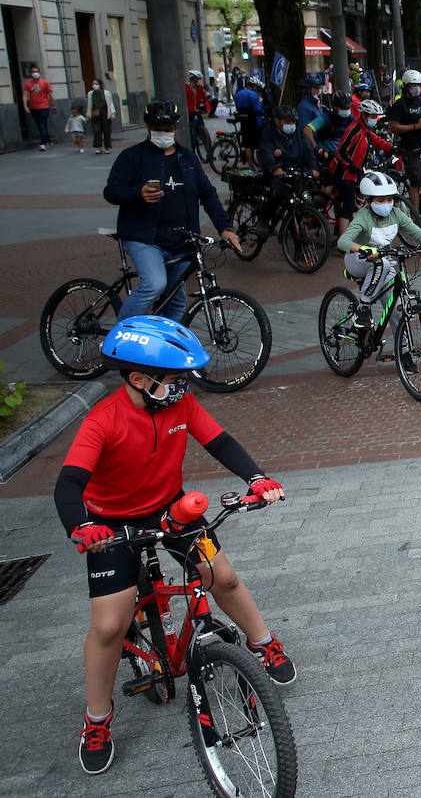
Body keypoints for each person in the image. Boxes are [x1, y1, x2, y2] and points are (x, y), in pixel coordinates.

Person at [57, 315, 294, 775]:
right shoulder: (102, 419)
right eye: (174, 379)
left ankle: (264, 643)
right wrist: (80, 526)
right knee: (109, 625)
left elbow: (220, 443)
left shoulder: (180, 406)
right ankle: (97, 720)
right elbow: (68, 483)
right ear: (139, 379)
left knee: (222, 577)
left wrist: (258, 478)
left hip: (171, 509)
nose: (184, 387)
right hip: (111, 525)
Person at [103, 101, 240, 321]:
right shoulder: (132, 157)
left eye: (167, 129)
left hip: (181, 241)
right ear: (148, 128)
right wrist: (138, 193)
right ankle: (121, 334)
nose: (162, 134)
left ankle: (164, 342)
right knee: (155, 285)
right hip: (145, 238)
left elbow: (208, 194)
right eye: (156, 129)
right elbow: (111, 191)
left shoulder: (187, 158)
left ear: (176, 128)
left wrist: (225, 228)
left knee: (175, 301)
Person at [336, 171, 421, 332]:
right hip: (357, 260)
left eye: (390, 199)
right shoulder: (363, 217)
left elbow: (417, 231)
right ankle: (363, 308)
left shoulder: (396, 214)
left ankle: (403, 347)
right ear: (368, 202)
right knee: (382, 263)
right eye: (381, 200)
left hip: (383, 265)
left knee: (397, 310)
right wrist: (363, 248)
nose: (387, 204)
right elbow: (343, 242)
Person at [328, 99, 394, 233]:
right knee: (348, 209)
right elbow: (340, 151)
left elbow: (376, 140)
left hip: (355, 173)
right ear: (364, 115)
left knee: (353, 202)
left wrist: (392, 148)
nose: (374, 119)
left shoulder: (365, 130)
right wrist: (350, 165)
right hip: (345, 173)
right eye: (372, 116)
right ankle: (344, 242)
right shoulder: (354, 130)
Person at [257, 104, 320, 227]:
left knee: (304, 197)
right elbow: (265, 153)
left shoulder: (299, 134)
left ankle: (296, 225)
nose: (291, 124)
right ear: (278, 121)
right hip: (277, 173)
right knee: (277, 194)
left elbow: (308, 152)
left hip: (295, 172)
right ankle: (263, 221)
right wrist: (273, 168)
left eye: (293, 122)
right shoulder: (268, 134)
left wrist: (313, 167)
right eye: (287, 122)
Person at [388, 69, 421, 214]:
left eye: (419, 85)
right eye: (414, 85)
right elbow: (394, 127)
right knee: (417, 183)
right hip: (411, 149)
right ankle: (416, 215)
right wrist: (416, 126)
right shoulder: (399, 105)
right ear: (406, 86)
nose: (417, 88)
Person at [233, 76, 266, 169]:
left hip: (244, 122)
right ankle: (260, 165)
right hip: (254, 122)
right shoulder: (253, 95)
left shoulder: (239, 94)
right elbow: (257, 109)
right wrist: (264, 112)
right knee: (257, 145)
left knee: (247, 145)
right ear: (254, 86)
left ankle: (250, 166)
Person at [22, 63, 53, 150]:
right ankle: (47, 139)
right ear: (31, 74)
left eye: (36, 71)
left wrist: (53, 106)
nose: (35, 73)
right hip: (34, 108)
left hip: (44, 107)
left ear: (39, 73)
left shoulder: (45, 83)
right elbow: (25, 95)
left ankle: (42, 144)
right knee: (40, 126)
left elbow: (50, 95)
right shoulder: (28, 84)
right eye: (33, 72)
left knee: (42, 124)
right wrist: (25, 106)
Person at [85, 78, 116, 154]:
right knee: (96, 131)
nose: (94, 85)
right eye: (93, 84)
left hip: (105, 113)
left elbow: (110, 103)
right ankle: (99, 147)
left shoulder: (106, 93)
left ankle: (107, 147)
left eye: (96, 84)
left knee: (106, 130)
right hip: (95, 113)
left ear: (100, 85)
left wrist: (112, 113)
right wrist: (88, 115)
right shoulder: (90, 94)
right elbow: (89, 105)